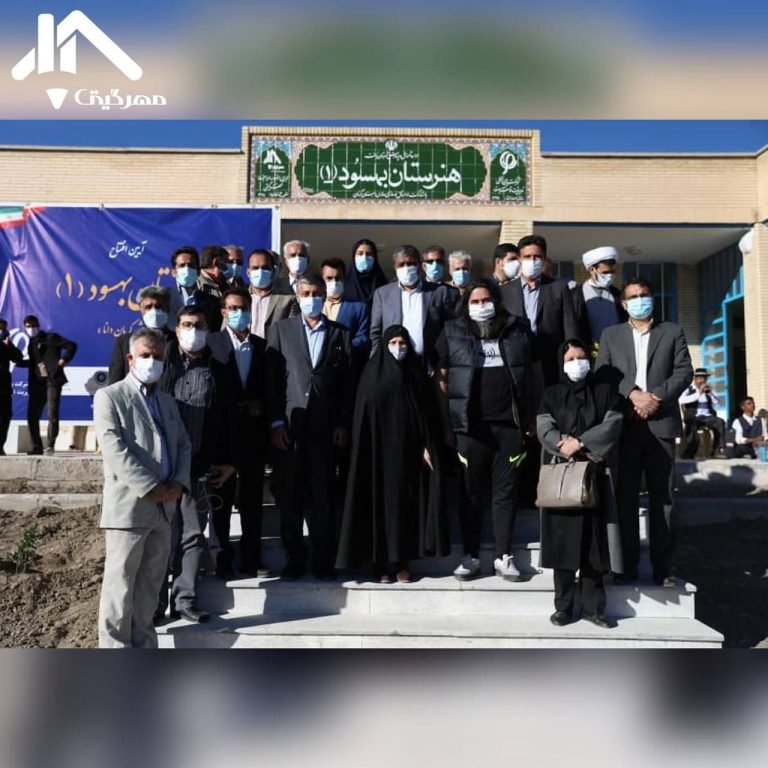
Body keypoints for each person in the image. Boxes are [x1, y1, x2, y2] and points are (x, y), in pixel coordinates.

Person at [95, 328, 191, 648]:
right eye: (145, 355)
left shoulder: (167, 401)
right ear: (130, 358)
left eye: (158, 356)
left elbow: (183, 444)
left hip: (164, 510)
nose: (152, 361)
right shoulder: (110, 396)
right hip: (129, 509)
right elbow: (114, 450)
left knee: (150, 589)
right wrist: (151, 487)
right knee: (119, 588)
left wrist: (178, 482)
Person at [595, 277, 693, 586]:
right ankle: (626, 566)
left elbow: (684, 371)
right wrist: (633, 394)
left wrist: (656, 398)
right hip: (624, 426)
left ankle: (663, 568)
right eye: (634, 296)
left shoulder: (672, 331)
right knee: (624, 497)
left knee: (662, 498)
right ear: (624, 304)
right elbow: (604, 373)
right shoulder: (611, 335)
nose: (640, 300)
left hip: (660, 423)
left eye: (645, 295)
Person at [435, 280, 532, 581]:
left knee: (505, 492)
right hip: (470, 428)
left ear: (497, 301)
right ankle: (471, 555)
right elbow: (441, 378)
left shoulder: (517, 329)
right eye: (474, 302)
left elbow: (533, 372)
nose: (481, 306)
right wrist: (447, 422)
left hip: (509, 426)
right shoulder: (451, 331)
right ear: (465, 306)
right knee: (470, 493)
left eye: (486, 300)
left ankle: (504, 556)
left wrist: (530, 416)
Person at [337, 325, 448, 582]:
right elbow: (363, 415)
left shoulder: (415, 374)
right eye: (394, 343)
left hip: (407, 454)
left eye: (403, 343)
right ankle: (380, 565)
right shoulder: (371, 374)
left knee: (404, 508)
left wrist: (426, 445)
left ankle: (401, 563)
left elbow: (425, 414)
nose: (399, 348)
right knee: (377, 507)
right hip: (376, 456)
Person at [266, 274, 354, 580]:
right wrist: (276, 422)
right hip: (290, 428)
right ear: (297, 296)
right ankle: (294, 559)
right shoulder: (281, 330)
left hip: (325, 431)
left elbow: (347, 385)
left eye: (317, 293)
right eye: (306, 293)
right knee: (290, 497)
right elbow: (273, 381)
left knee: (323, 498)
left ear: (325, 295)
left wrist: (343, 423)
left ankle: (323, 560)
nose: (311, 298)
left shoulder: (340, 333)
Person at [156, 307, 237, 623]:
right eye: (187, 325)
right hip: (163, 469)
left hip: (200, 467)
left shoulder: (219, 370)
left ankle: (184, 601)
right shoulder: (161, 366)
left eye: (199, 325)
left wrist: (229, 461)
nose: (193, 330)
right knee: (163, 536)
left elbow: (230, 420)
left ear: (208, 330)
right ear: (176, 330)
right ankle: (154, 604)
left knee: (192, 535)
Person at [537, 339, 625, 628]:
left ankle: (593, 608)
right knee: (562, 544)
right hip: (562, 479)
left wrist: (582, 442)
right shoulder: (551, 394)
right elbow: (544, 426)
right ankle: (563, 607)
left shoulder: (605, 392)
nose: (577, 363)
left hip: (593, 476)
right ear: (562, 364)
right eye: (571, 359)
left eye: (582, 357)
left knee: (593, 546)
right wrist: (561, 444)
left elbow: (612, 424)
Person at [207, 288, 270, 577]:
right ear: (223, 312)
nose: (239, 313)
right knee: (221, 500)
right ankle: (221, 559)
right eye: (233, 308)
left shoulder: (262, 347)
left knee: (252, 500)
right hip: (222, 435)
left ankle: (251, 559)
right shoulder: (212, 344)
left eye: (243, 308)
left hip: (253, 434)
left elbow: (270, 388)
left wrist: (260, 405)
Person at [499, 234, 579, 388]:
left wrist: (572, 350)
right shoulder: (505, 291)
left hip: (550, 358)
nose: (532, 260)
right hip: (516, 359)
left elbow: (569, 325)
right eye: (527, 256)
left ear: (544, 259)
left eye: (537, 257)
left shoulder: (558, 288)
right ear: (519, 259)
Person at [370, 244, 458, 369]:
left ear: (419, 265)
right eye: (401, 264)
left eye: (411, 264)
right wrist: (376, 363)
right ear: (395, 266)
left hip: (428, 365)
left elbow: (449, 330)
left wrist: (442, 363)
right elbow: (376, 333)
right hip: (393, 364)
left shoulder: (439, 292)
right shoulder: (382, 294)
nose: (406, 268)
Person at [17, 315, 77, 456]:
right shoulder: (31, 343)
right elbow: (35, 362)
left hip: (52, 380)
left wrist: (63, 361)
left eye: (33, 325)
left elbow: (72, 346)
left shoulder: (51, 338)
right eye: (28, 326)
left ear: (38, 325)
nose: (31, 328)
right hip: (37, 383)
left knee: (52, 413)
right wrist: (20, 363)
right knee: (32, 416)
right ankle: (36, 447)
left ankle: (50, 445)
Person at [108, 286, 174, 384]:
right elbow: (115, 381)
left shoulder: (178, 341)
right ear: (141, 310)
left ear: (167, 309)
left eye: (159, 306)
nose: (154, 311)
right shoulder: (124, 342)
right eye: (148, 307)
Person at [571, 246, 627, 348]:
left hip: (615, 349)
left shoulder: (617, 294)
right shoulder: (574, 295)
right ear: (592, 269)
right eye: (605, 272)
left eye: (612, 272)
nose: (609, 276)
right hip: (586, 350)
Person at [320, 257, 370, 365]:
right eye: (329, 278)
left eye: (338, 278)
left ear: (344, 279)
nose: (334, 282)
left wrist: (344, 345)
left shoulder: (359, 307)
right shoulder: (314, 304)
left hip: (345, 364)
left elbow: (363, 337)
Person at [167, 246, 222, 332]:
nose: (187, 269)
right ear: (174, 272)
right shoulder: (165, 298)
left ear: (198, 271)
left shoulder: (213, 302)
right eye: (182, 265)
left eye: (191, 265)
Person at [246, 248, 298, 339]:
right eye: (255, 268)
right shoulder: (238, 298)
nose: (260, 271)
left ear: (273, 271)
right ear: (248, 272)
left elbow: (292, 331)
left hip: (274, 347)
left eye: (265, 268)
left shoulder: (289, 300)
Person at [679, 368, 727, 459]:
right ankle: (689, 453)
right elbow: (681, 400)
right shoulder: (688, 389)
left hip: (707, 417)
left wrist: (711, 392)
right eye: (700, 378)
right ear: (695, 379)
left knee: (720, 422)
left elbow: (717, 403)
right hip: (694, 416)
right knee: (691, 425)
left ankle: (718, 449)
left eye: (704, 378)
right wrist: (698, 393)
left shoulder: (708, 390)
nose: (702, 380)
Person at [0, 318, 23, 455]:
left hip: (4, 387)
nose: (3, 331)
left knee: (5, 416)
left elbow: (18, 358)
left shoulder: (7, 345)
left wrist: (9, 346)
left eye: (4, 329)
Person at [344, 238, 388, 306]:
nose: (364, 257)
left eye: (369, 254)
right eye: (360, 253)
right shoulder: (345, 286)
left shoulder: (383, 285)